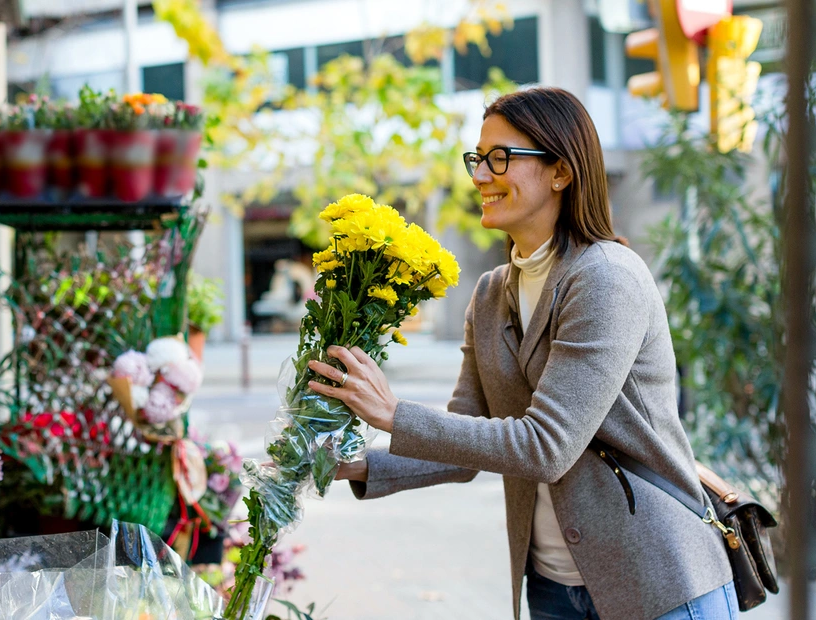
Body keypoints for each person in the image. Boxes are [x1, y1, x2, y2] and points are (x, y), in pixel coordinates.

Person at [306, 87, 736, 620]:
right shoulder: (490, 293)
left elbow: (545, 447)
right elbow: (465, 435)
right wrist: (352, 464)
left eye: (500, 158)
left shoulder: (605, 278)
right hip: (552, 589)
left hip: (657, 584)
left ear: (561, 171)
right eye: (477, 159)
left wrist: (393, 415)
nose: (480, 176)